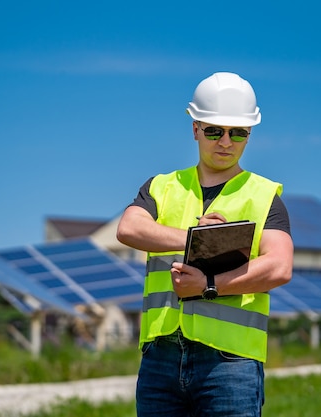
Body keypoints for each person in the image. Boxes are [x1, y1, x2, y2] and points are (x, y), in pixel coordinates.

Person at [116, 72, 294, 417]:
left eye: (237, 132)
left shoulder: (264, 196)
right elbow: (129, 228)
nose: (226, 141)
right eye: (214, 130)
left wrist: (209, 286)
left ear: (249, 134)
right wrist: (195, 237)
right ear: (195, 128)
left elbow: (279, 266)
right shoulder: (162, 186)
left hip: (231, 363)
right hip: (160, 357)